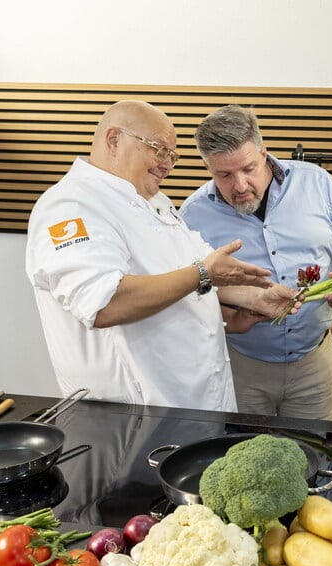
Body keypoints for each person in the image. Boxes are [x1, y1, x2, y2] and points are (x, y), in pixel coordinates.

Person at [26, 100, 300, 411]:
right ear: (114, 140)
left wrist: (255, 298)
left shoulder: (155, 201)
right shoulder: (70, 207)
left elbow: (202, 271)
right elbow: (105, 302)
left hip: (196, 404)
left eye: (172, 155)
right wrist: (203, 273)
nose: (167, 164)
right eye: (158, 149)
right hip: (133, 415)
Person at [181, 105, 332, 420]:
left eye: (248, 168)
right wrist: (229, 314)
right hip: (240, 368)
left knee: (311, 462)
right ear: (208, 167)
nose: (241, 185)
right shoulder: (192, 215)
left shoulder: (315, 182)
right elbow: (188, 291)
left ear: (264, 153)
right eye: (225, 175)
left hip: (314, 364)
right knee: (243, 465)